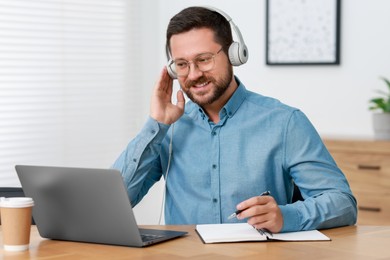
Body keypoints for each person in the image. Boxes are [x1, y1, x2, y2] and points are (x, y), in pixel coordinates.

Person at [112, 6, 357, 233]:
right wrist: (156, 124)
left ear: (234, 54)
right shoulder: (168, 129)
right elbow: (113, 202)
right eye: (182, 64)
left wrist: (286, 216)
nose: (194, 74)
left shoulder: (285, 122)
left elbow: (342, 203)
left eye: (204, 59)